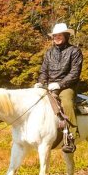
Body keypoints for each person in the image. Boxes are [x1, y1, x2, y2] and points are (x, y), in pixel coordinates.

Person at [34, 23, 83, 153]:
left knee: (66, 102)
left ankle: (71, 137)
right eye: (55, 35)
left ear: (66, 36)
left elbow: (74, 73)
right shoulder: (49, 52)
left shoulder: (75, 51)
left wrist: (60, 84)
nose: (57, 37)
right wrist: (40, 82)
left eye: (60, 35)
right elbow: (44, 71)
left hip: (67, 86)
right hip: (49, 86)